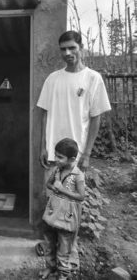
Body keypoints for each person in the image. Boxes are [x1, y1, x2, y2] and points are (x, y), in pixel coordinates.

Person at [36, 31, 111, 268]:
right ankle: (51, 250)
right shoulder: (53, 79)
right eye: (63, 49)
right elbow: (44, 113)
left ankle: (70, 254)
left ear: (81, 47)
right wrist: (42, 146)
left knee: (71, 206)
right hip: (53, 155)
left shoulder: (92, 78)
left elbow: (96, 118)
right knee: (52, 203)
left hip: (74, 158)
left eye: (71, 48)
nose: (67, 53)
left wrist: (86, 154)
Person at [39, 138, 85, 280]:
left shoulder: (78, 176)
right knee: (49, 244)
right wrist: (54, 188)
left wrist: (62, 190)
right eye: (56, 155)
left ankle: (63, 274)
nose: (56, 159)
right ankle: (50, 267)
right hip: (52, 214)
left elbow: (81, 196)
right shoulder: (57, 170)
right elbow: (48, 184)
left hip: (67, 218)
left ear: (71, 159)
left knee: (64, 249)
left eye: (60, 157)